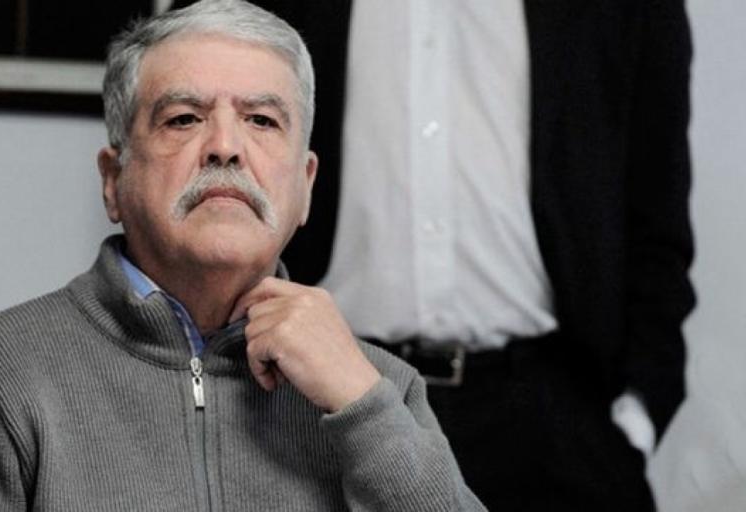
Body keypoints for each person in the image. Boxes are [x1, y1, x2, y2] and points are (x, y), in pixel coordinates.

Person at [0, 1, 486, 511]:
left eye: (261, 120)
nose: (225, 146)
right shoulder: (1, 370)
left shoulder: (381, 387)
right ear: (113, 180)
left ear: (305, 187)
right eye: (183, 118)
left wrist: (362, 405)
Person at [176, 1, 693, 510]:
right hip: (314, 395)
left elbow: (657, 207)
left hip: (551, 415)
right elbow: (176, 130)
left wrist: (637, 418)